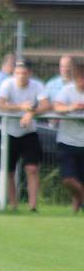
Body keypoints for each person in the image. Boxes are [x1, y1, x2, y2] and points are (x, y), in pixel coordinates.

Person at [0, 60, 49, 211]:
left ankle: (33, 206)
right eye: (18, 73)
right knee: (9, 171)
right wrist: (20, 106)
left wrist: (30, 112)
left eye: (24, 73)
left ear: (30, 74)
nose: (20, 76)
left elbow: (46, 105)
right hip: (8, 132)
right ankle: (13, 206)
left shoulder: (37, 85)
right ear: (14, 73)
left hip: (29, 133)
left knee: (32, 169)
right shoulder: (7, 84)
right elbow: (0, 104)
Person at [52, 62, 84, 213]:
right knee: (68, 179)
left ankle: (75, 213)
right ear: (75, 78)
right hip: (67, 141)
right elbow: (57, 107)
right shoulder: (67, 90)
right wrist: (71, 108)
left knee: (80, 180)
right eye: (79, 78)